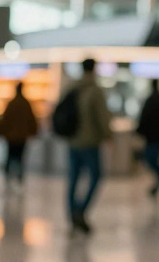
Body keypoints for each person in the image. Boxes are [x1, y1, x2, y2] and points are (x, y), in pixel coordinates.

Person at [66, 58, 111, 234]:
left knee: (73, 179)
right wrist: (108, 136)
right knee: (96, 176)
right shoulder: (95, 90)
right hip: (90, 143)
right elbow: (102, 117)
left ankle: (73, 215)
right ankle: (81, 211)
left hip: (72, 142)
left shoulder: (73, 87)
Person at [0, 82, 38, 188]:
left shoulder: (12, 103)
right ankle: (19, 179)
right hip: (22, 137)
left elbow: (5, 120)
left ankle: (7, 177)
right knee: (20, 158)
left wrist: (1, 132)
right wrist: (33, 132)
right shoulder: (25, 103)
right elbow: (31, 120)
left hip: (11, 137)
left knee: (10, 157)